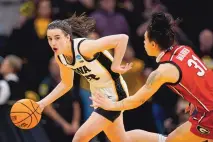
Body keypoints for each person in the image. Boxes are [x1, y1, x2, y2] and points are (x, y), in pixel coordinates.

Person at [36, 13, 166, 142]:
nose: (53, 42)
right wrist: (42, 103)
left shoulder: (84, 48)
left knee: (80, 138)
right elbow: (66, 84)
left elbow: (122, 38)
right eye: (50, 38)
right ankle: (164, 140)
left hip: (114, 93)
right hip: (99, 95)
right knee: (121, 139)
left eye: (57, 37)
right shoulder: (60, 57)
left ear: (67, 37)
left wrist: (115, 65)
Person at [91, 12, 213, 142]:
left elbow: (136, 101)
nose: (143, 43)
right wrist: (195, 100)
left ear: (153, 44)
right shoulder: (184, 49)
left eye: (145, 39)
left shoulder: (161, 72)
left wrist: (110, 105)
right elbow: (202, 77)